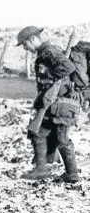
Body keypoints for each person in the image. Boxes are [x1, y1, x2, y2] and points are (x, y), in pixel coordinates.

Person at [16, 26, 81, 183]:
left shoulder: (49, 52)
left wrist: (53, 78)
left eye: (25, 44)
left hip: (62, 106)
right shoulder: (44, 53)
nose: (25, 48)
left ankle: (72, 175)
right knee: (38, 133)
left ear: (33, 39)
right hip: (52, 105)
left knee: (62, 139)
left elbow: (68, 67)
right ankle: (41, 169)